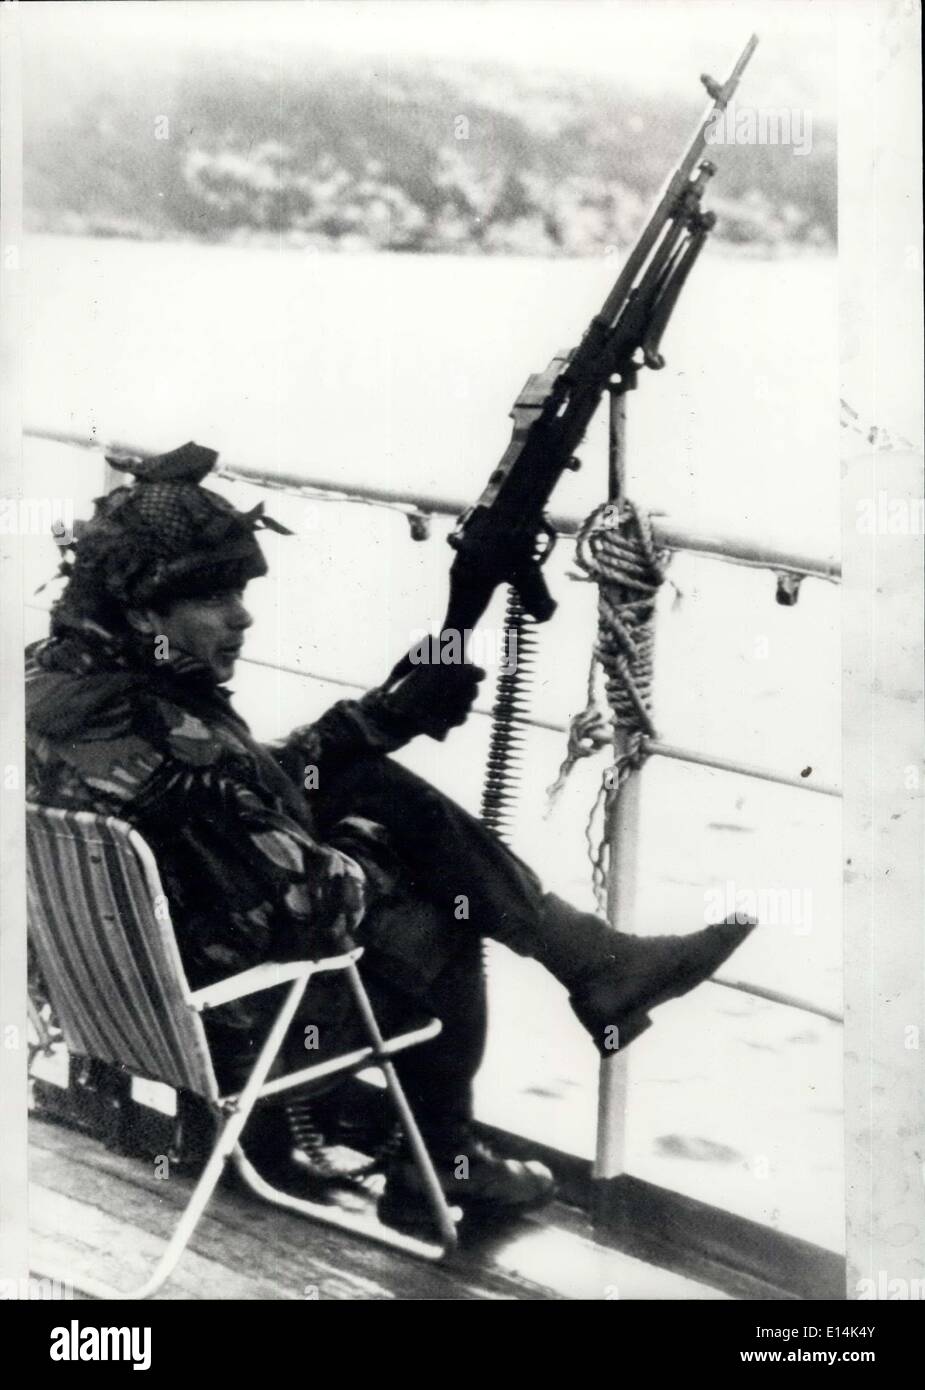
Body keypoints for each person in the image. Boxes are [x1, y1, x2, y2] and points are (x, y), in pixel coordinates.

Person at [25, 442, 755, 1229]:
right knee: (442, 905)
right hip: (232, 1034)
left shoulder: (54, 689)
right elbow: (314, 903)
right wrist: (380, 849)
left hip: (112, 1010)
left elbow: (230, 796)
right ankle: (443, 1163)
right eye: (215, 598)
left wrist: (372, 722)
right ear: (144, 612)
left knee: (368, 780)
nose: (243, 616)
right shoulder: (178, 732)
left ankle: (591, 961)